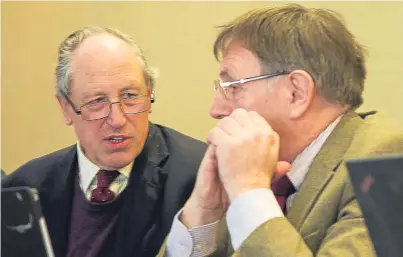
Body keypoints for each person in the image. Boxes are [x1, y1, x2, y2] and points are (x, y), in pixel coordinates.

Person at [158, 4, 403, 257]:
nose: (216, 109)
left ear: (296, 93)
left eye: (232, 86)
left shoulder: (388, 162)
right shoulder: (260, 166)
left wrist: (250, 193)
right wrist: (204, 213)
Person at [1, 26, 207, 257]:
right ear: (66, 108)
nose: (117, 120)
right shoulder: (25, 188)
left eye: (130, 96)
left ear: (149, 93)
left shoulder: (199, 176)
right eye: (97, 101)